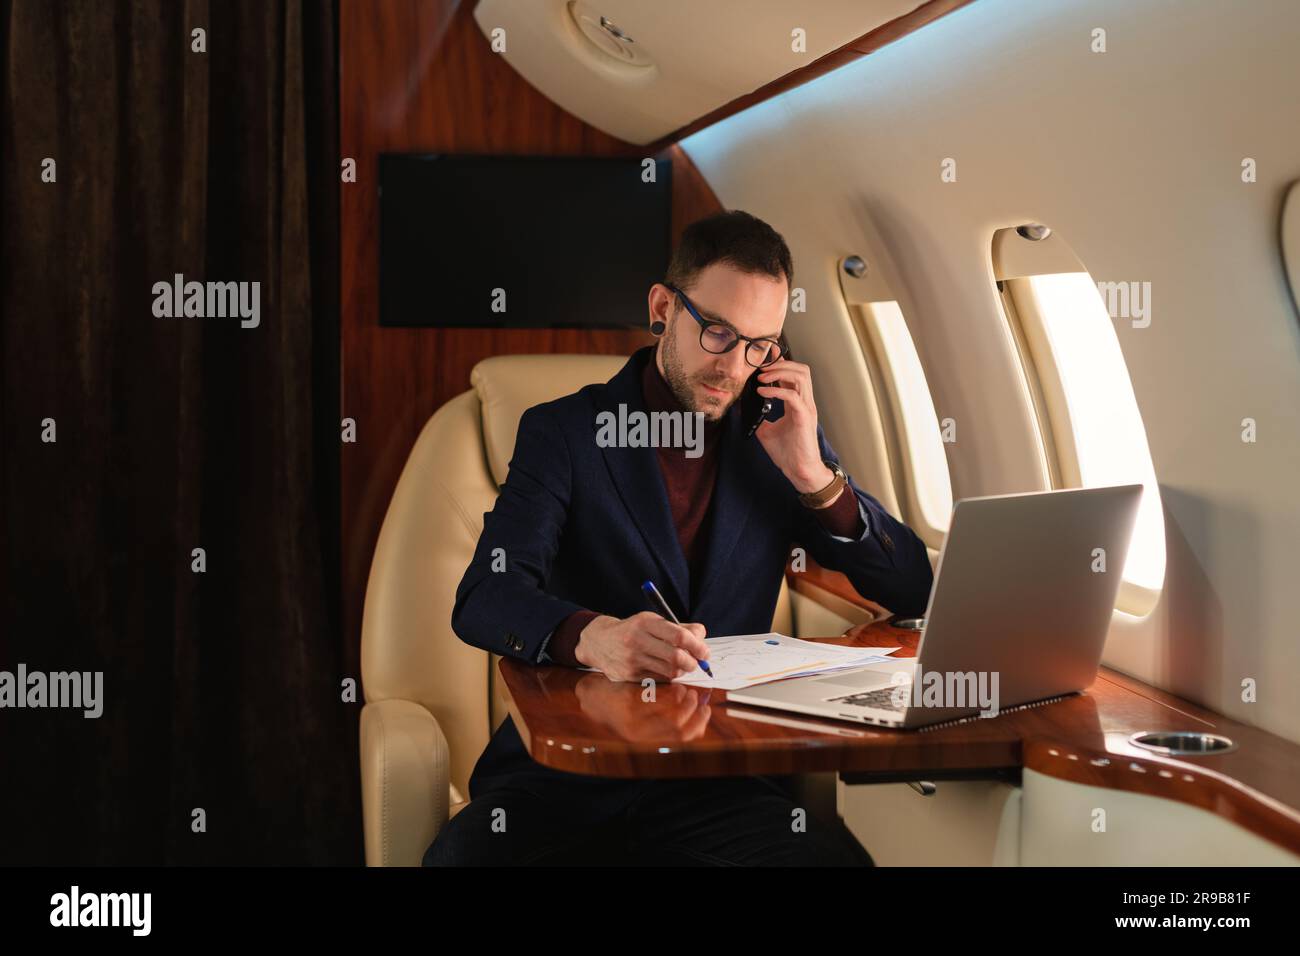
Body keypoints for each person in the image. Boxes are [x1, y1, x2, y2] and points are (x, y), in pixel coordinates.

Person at [424, 210, 933, 866]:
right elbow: (485, 597)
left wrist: (814, 476)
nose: (734, 367)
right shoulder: (565, 433)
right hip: (563, 782)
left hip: (717, 782)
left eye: (761, 346)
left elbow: (912, 585)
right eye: (717, 332)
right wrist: (595, 637)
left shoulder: (777, 437)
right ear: (663, 308)